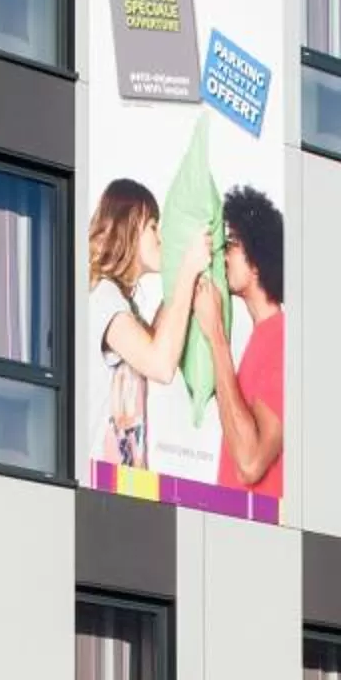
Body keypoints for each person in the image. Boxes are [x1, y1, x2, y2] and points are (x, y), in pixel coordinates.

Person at [88, 177, 212, 470]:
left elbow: (158, 340)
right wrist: (186, 270)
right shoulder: (104, 299)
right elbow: (161, 363)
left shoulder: (120, 305)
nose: (161, 239)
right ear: (128, 226)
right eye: (153, 226)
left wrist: (182, 276)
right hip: (102, 484)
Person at [195, 183, 285, 497]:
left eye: (231, 244)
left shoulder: (283, 341)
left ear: (258, 259)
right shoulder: (262, 337)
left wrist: (216, 334)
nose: (222, 255)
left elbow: (249, 462)